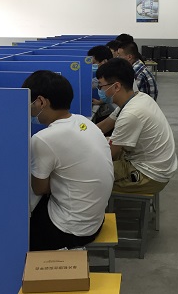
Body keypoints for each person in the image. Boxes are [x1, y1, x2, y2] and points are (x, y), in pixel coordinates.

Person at [23, 70, 114, 251]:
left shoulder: (43, 139)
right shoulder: (83, 122)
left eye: (28, 103)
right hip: (95, 220)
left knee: (17, 231)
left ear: (41, 101)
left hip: (71, 230)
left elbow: (39, 188)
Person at [95, 58, 177, 194]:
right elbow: (106, 124)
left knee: (89, 176)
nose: (100, 91)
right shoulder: (137, 98)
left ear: (116, 87)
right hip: (155, 164)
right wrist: (83, 134)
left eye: (101, 86)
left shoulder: (131, 113)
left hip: (149, 175)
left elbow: (108, 154)